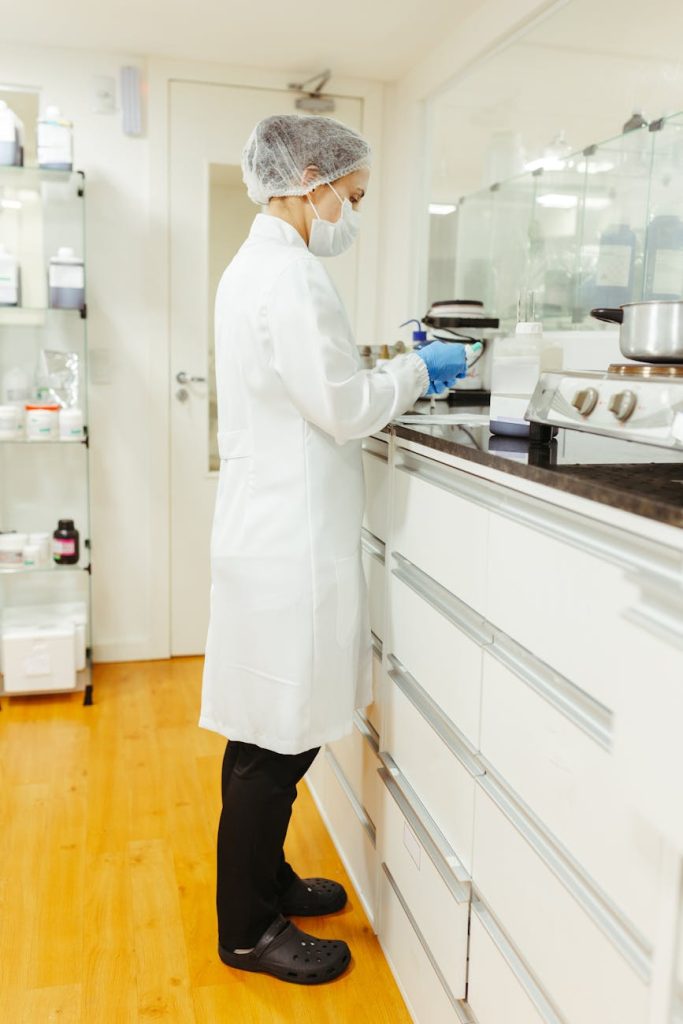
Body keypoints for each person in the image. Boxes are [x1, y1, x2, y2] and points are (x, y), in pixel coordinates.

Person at [200, 113, 467, 986]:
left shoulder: (253, 269)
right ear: (309, 177)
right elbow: (345, 406)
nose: (349, 213)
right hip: (289, 544)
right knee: (276, 745)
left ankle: (264, 882)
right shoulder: (290, 277)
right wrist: (418, 371)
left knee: (267, 732)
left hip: (266, 526)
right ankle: (245, 930)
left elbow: (311, 385)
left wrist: (384, 372)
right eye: (350, 197)